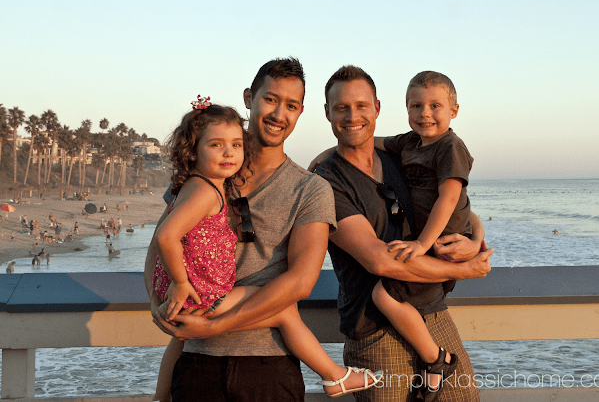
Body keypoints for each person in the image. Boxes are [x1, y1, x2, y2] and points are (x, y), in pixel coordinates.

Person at [144, 58, 373, 402]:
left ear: (300, 112)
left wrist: (216, 325)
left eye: (291, 106)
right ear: (249, 98)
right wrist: (156, 303)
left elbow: (301, 280)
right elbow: (158, 245)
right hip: (196, 362)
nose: (279, 114)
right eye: (270, 99)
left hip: (269, 365)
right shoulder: (204, 173)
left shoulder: (310, 189)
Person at [313, 65, 492, 401]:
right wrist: (464, 270)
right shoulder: (326, 183)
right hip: (377, 329)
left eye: (362, 106)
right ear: (327, 113)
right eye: (341, 108)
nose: (353, 116)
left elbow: (454, 204)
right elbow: (382, 263)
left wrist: (473, 239)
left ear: (377, 108)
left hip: (433, 311)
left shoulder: (403, 156)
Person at [364, 71, 473, 399]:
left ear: (454, 110)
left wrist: (423, 243)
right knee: (402, 296)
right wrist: (328, 153)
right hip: (427, 242)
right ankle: (432, 362)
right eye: (416, 106)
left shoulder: (450, 147)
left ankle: (437, 360)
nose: (425, 113)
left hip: (443, 240)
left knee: (383, 296)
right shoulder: (409, 143)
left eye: (435, 106)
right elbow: (371, 142)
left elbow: (449, 198)